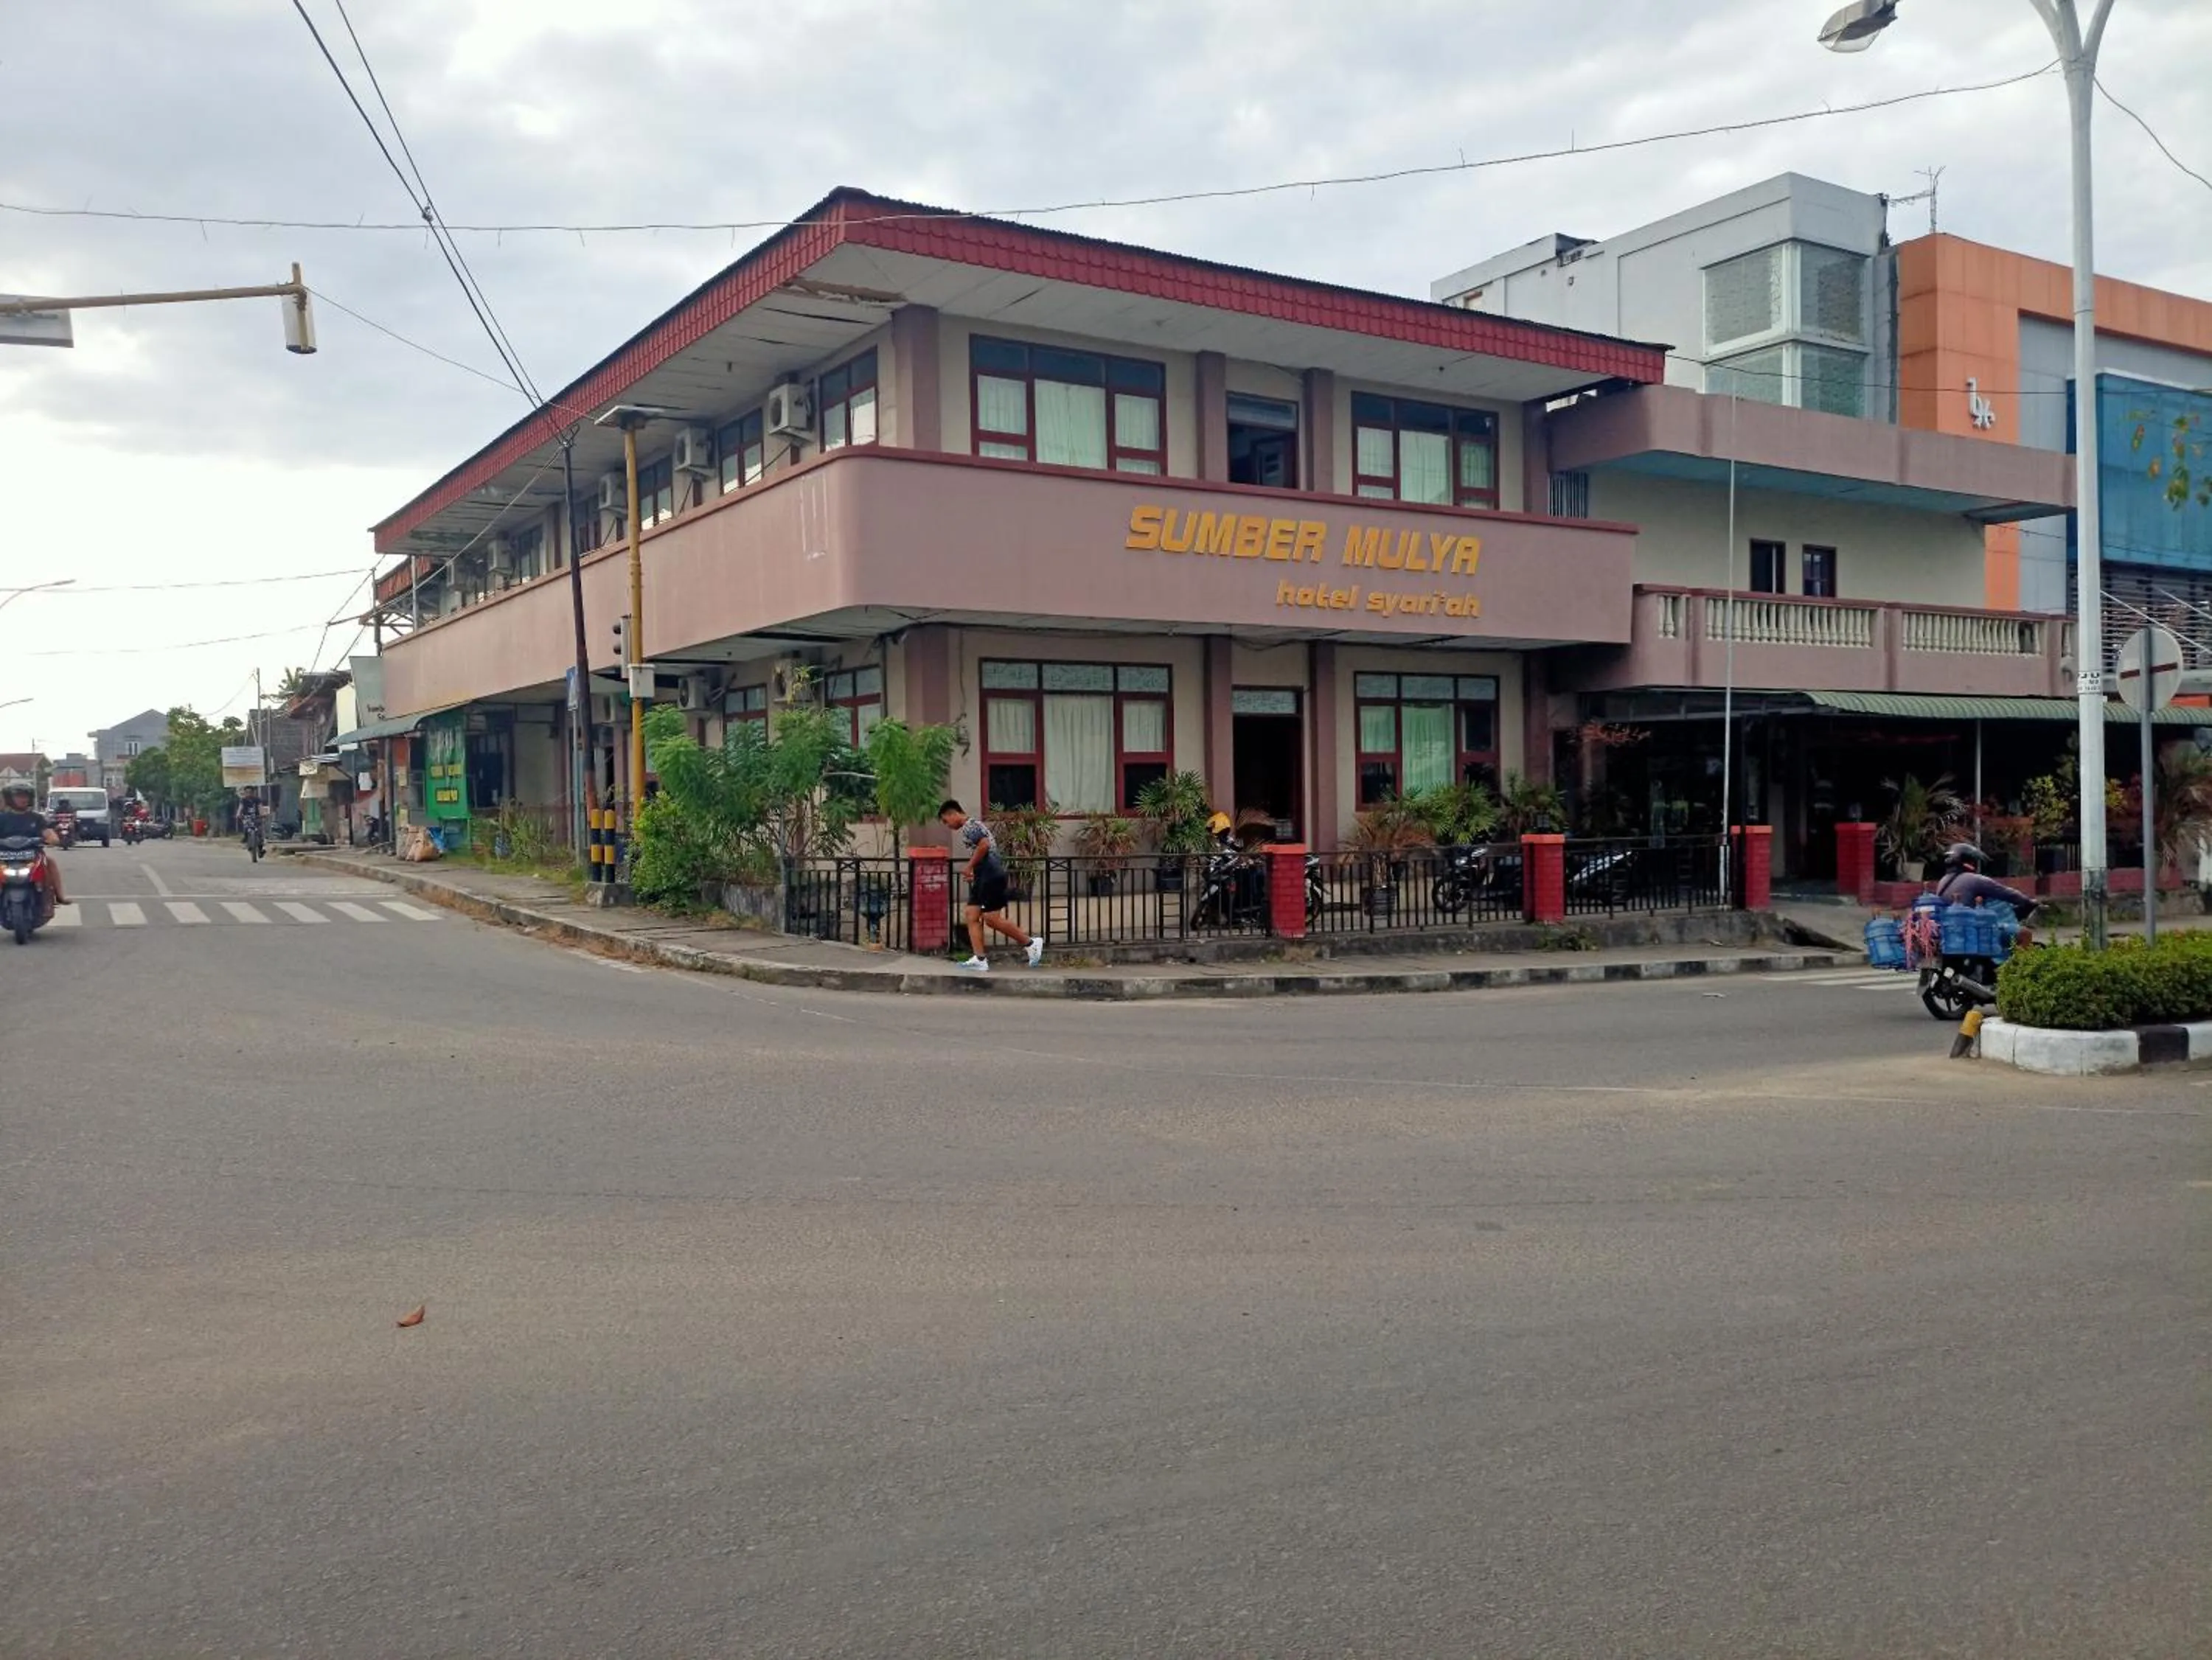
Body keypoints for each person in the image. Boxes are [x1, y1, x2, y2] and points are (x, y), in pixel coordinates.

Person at [937, 798, 1044, 972]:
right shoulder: (971, 826)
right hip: (984, 876)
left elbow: (984, 845)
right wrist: (976, 873)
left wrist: (970, 867)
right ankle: (980, 959)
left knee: (991, 919)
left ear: (953, 814)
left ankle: (1031, 943)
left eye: (945, 820)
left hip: (992, 876)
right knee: (971, 914)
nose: (946, 825)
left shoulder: (970, 826)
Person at [1935, 842, 2037, 941]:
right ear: (1970, 861)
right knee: (2025, 934)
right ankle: (2021, 959)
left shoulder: (1943, 881)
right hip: (1974, 930)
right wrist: (2028, 902)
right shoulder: (1974, 879)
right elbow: (2006, 893)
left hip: (1951, 931)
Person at [0, 781, 66, 911]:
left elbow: (48, 833)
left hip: (32, 856)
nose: (22, 799)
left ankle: (57, 897)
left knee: (50, 862)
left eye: (25, 796)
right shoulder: (2, 818)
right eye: (18, 796)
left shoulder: (37, 818)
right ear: (10, 798)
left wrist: (53, 839)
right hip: (4, 857)